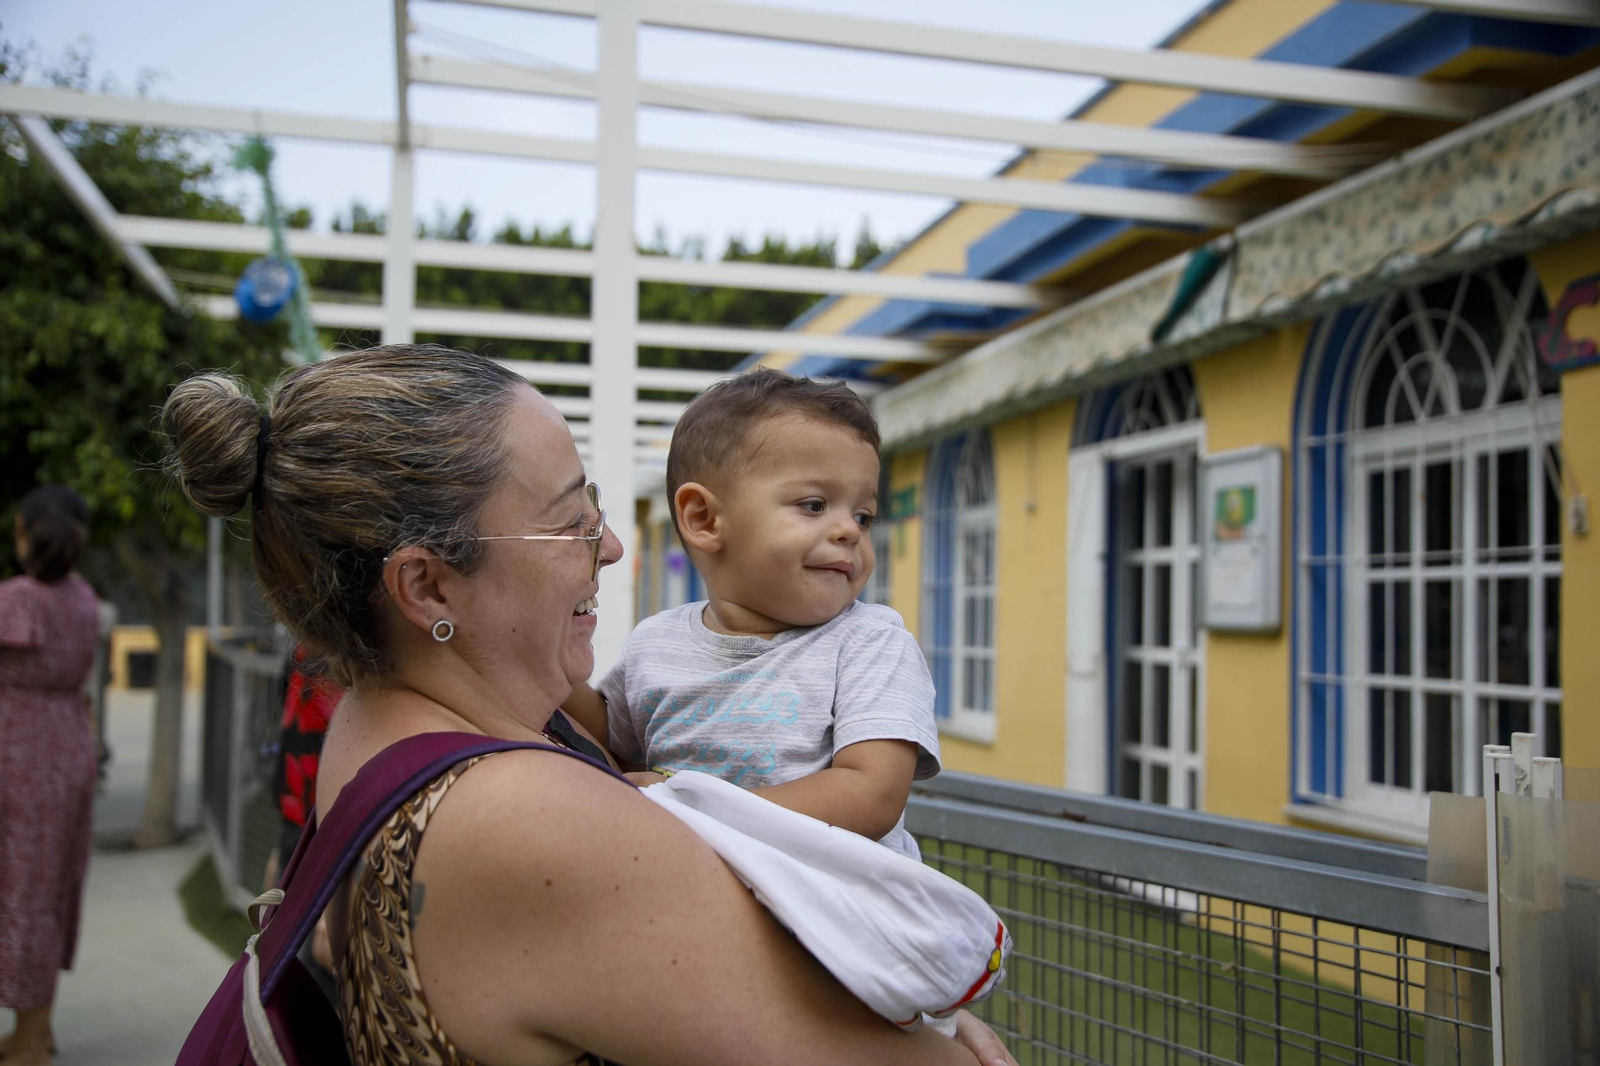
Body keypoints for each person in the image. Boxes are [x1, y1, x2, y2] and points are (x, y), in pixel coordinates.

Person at [162, 345, 1016, 1066]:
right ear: (425, 583)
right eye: (571, 520)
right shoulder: (527, 822)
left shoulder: (377, 721)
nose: (608, 546)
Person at [568, 370, 936, 859]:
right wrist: (541, 659)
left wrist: (696, 811)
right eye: (814, 505)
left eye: (864, 515)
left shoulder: (870, 643)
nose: (849, 530)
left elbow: (872, 795)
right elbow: (608, 736)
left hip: (840, 912)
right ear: (704, 519)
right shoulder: (655, 643)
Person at [0, 486, 100, 1066]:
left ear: (22, 531)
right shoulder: (84, 600)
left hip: (20, 758)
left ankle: (31, 1042)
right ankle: (34, 1028)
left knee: (20, 896)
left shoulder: (17, 600)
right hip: (66, 750)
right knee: (45, 890)